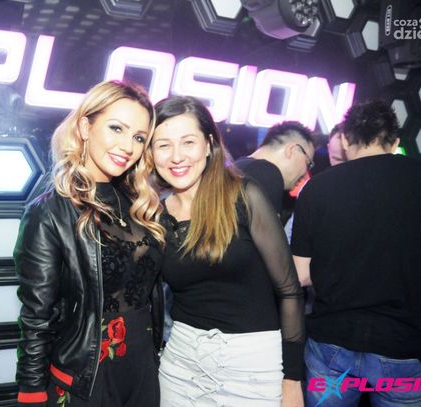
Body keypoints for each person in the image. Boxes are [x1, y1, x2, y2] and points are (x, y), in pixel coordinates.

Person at [14, 80, 166, 407]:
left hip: (143, 367)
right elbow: (37, 317)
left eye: (139, 137)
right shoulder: (51, 211)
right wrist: (31, 392)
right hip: (87, 376)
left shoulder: (140, 205)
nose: (128, 146)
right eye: (116, 128)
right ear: (85, 127)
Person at [148, 96, 305, 406]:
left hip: (253, 366)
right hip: (181, 364)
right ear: (151, 154)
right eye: (163, 145)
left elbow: (289, 291)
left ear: (209, 145)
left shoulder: (244, 195)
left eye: (188, 142)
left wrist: (292, 379)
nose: (177, 156)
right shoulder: (154, 215)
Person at [291, 100, 421, 407]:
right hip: (403, 349)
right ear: (395, 143)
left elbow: (300, 275)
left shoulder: (317, 188)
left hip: (332, 347)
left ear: (346, 141)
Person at [235, 121, 314, 214]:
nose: (306, 174)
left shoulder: (238, 166)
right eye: (308, 163)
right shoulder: (268, 173)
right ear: (292, 150)